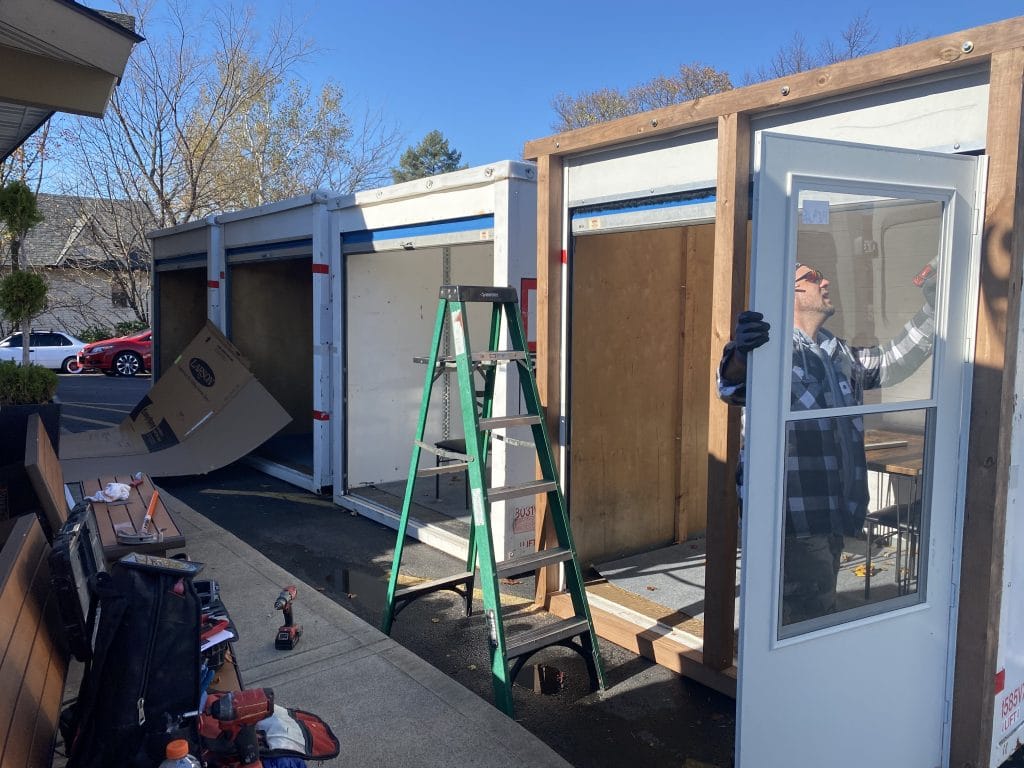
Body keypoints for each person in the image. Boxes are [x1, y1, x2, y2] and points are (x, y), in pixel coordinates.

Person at [718, 262, 937, 624]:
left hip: (832, 513)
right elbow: (732, 385)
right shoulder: (772, 349)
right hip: (792, 518)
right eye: (813, 277)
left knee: (814, 611)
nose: (826, 281)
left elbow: (891, 362)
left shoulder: (836, 353)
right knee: (800, 619)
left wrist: (932, 310)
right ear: (790, 293)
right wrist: (741, 353)